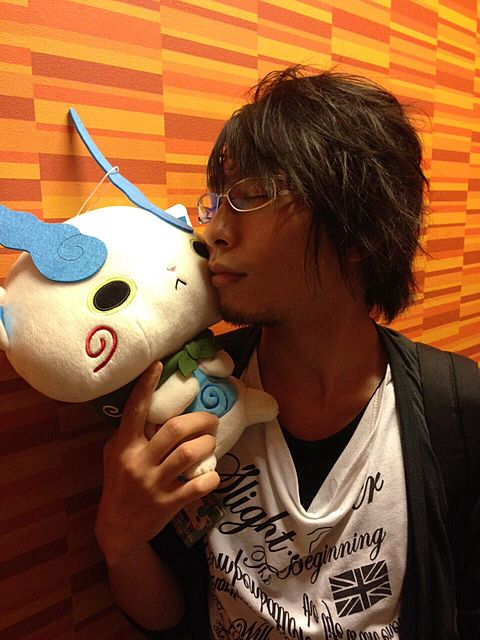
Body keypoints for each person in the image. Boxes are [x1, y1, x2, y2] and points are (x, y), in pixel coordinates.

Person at [94, 66, 478, 639]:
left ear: (359, 230)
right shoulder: (191, 389)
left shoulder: (456, 409)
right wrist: (119, 538)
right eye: (215, 203)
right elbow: (171, 618)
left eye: (250, 196)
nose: (212, 233)